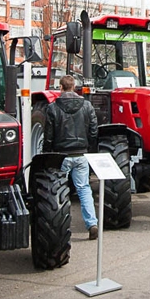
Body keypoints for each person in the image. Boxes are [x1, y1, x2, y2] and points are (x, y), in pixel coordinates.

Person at [43, 75, 100, 240]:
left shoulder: (53, 108)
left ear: (60, 87)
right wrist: (88, 147)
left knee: (58, 192)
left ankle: (60, 227)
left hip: (61, 156)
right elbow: (94, 130)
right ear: (74, 87)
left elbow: (48, 135)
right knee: (84, 189)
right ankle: (92, 223)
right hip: (81, 154)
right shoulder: (87, 106)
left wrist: (47, 153)